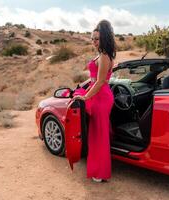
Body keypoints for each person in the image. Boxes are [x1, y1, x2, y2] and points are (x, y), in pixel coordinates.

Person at [72, 19, 116, 182]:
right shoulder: (102, 54)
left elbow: (99, 82)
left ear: (103, 38)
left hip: (101, 97)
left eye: (96, 39)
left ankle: (101, 172)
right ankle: (99, 168)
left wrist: (85, 96)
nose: (93, 41)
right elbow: (94, 77)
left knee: (99, 137)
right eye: (92, 38)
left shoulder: (104, 56)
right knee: (96, 134)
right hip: (97, 94)